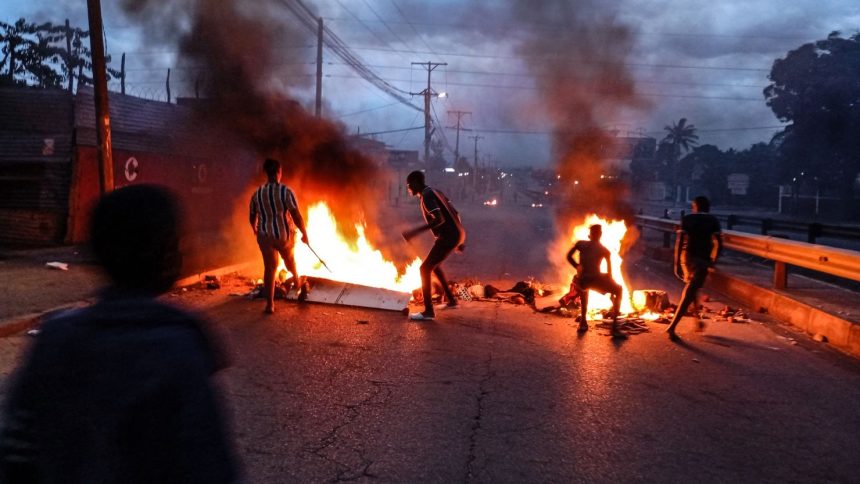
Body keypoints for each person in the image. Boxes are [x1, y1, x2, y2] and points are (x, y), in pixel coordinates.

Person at [0, 184, 239, 484]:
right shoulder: (178, 351)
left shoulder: (53, 337)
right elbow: (209, 468)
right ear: (165, 256)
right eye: (177, 243)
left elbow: (16, 456)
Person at [402, 170, 466, 321]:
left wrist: (415, 232)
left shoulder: (427, 196)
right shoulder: (435, 191)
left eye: (410, 185)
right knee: (434, 266)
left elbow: (439, 219)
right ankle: (452, 301)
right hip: (455, 235)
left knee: (424, 269)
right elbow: (456, 213)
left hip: (448, 237)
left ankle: (428, 312)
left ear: (417, 183)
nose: (409, 188)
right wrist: (459, 236)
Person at [250, 158, 309, 314]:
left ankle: (270, 305)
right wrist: (304, 233)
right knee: (290, 262)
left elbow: (252, 215)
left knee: (270, 268)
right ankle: (298, 283)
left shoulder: (257, 193)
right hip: (283, 235)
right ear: (278, 172)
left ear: (266, 173)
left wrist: (255, 229)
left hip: (264, 235)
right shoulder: (285, 191)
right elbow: (296, 214)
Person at [666, 195, 722, 341]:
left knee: (693, 289)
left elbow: (680, 241)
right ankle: (672, 327)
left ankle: (697, 321)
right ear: (707, 207)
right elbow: (719, 243)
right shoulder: (713, 220)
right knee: (690, 291)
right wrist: (713, 260)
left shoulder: (688, 218)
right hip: (702, 260)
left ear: (695, 206)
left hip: (687, 258)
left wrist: (677, 263)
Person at [566, 224, 626, 339]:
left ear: (590, 235)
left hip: (582, 280)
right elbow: (609, 274)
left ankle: (583, 322)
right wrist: (611, 292)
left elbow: (568, 256)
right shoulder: (605, 250)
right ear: (600, 235)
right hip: (595, 280)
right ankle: (615, 328)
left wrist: (577, 266)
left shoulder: (581, 244)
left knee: (584, 287)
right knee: (618, 289)